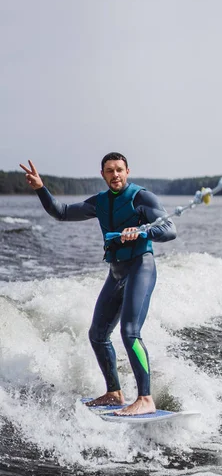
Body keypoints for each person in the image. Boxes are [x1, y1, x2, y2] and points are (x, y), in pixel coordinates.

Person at [20, 153, 176, 416]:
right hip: (116, 272)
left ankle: (145, 399)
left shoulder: (142, 198)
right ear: (102, 174)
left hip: (141, 267)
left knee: (130, 332)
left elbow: (170, 230)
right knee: (97, 334)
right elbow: (62, 213)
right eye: (109, 171)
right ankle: (115, 394)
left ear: (127, 171)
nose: (115, 175)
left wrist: (142, 231)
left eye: (119, 170)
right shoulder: (100, 202)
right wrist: (40, 189)